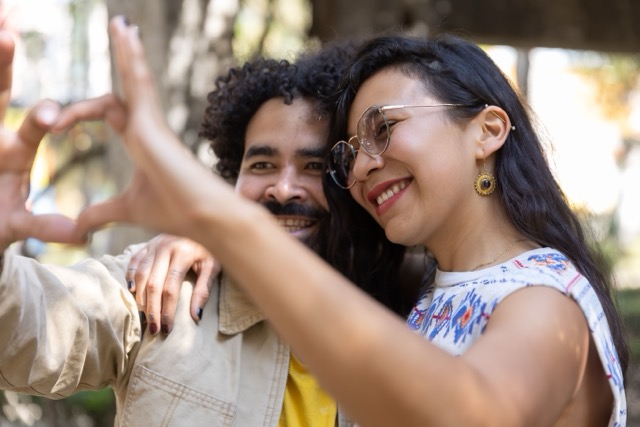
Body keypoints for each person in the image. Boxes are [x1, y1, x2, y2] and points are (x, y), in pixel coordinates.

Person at [59, 17, 627, 426]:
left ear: (488, 131)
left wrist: (226, 224)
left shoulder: (546, 302)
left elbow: (468, 412)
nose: (361, 167)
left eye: (383, 127)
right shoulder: (420, 293)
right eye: (349, 152)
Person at [0, 22, 412, 425]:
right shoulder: (164, 287)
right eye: (263, 164)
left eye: (315, 166)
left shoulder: (418, 307)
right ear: (233, 178)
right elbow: (30, 330)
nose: (284, 189)